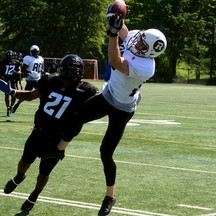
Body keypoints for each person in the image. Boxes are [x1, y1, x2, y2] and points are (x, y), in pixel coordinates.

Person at [54, 14, 167, 216]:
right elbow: (123, 28)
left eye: (142, 43)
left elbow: (115, 61)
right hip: (108, 94)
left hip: (123, 108)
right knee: (76, 116)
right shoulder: (137, 39)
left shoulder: (146, 67)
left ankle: (110, 196)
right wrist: (116, 14)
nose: (137, 42)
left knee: (106, 152)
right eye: (140, 38)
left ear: (150, 52)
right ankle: (59, 150)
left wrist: (112, 33)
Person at [0, 54, 99, 215]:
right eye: (70, 69)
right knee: (24, 161)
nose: (73, 73)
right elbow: (30, 96)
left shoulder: (87, 90)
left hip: (57, 139)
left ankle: (34, 195)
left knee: (44, 172)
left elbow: (97, 107)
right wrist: (12, 91)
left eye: (77, 69)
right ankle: (19, 176)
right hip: (39, 132)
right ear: (62, 69)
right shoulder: (50, 81)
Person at [11, 45, 44, 114]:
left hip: (38, 79)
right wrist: (30, 72)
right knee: (26, 95)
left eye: (36, 52)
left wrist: (43, 73)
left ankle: (42, 109)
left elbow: (41, 69)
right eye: (35, 52)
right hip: (30, 80)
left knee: (42, 95)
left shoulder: (40, 59)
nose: (36, 53)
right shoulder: (28, 58)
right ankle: (17, 105)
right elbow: (23, 69)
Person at [0, 50, 22, 117]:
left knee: (14, 95)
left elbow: (19, 71)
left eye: (11, 56)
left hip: (13, 81)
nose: (10, 57)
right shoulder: (2, 62)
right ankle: (8, 107)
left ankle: (11, 106)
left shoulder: (16, 62)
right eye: (8, 56)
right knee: (7, 95)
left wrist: (16, 72)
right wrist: (1, 78)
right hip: (6, 80)